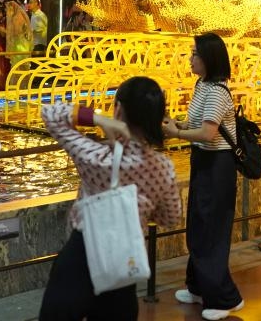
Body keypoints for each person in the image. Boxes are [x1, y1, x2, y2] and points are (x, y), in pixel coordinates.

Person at [38, 76, 181, 321]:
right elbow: (171, 218)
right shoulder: (162, 167)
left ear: (119, 109)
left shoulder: (95, 157)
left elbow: (50, 112)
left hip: (80, 259)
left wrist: (99, 118)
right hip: (122, 265)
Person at [165, 33, 245, 321]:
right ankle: (198, 286)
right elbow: (198, 124)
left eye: (195, 53)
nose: (190, 58)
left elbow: (208, 133)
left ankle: (226, 298)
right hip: (203, 160)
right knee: (198, 224)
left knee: (211, 229)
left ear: (209, 58)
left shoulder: (217, 92)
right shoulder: (202, 86)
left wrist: (177, 134)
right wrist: (180, 124)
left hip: (218, 166)